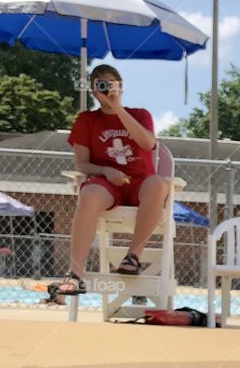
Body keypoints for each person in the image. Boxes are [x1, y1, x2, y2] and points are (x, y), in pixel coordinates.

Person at [54, 64, 169, 295]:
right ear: (93, 91)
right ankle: (75, 273)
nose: (106, 89)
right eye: (100, 85)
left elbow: (148, 144)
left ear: (120, 86)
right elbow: (82, 164)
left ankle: (133, 257)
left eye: (110, 83)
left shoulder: (139, 114)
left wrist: (117, 108)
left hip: (139, 183)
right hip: (106, 184)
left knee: (158, 184)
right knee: (88, 194)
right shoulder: (86, 120)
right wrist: (106, 171)